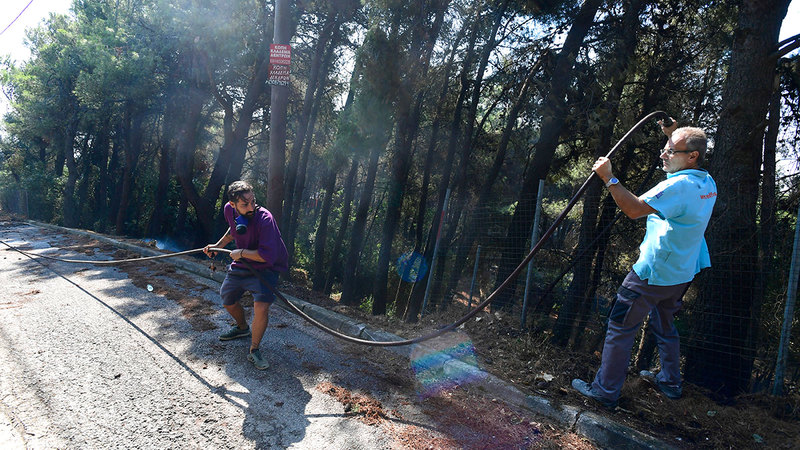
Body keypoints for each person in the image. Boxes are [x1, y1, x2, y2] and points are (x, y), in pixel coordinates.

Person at [571, 120, 717, 408]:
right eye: (665, 149)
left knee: (620, 326)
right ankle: (671, 382)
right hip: (682, 272)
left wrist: (609, 178)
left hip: (653, 272)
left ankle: (604, 392)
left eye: (669, 151)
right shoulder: (706, 181)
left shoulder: (680, 186)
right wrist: (671, 135)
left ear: (692, 156)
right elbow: (683, 147)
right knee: (665, 325)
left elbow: (634, 209)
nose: (663, 155)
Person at [204, 181, 289, 370]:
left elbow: (267, 255)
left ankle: (254, 350)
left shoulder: (265, 219)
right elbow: (233, 231)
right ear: (232, 205)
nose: (251, 207)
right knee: (227, 298)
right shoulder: (228, 210)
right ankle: (242, 328)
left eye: (253, 201)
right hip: (242, 262)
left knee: (261, 307)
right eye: (245, 204)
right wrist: (217, 247)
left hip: (266, 265)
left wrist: (241, 252)